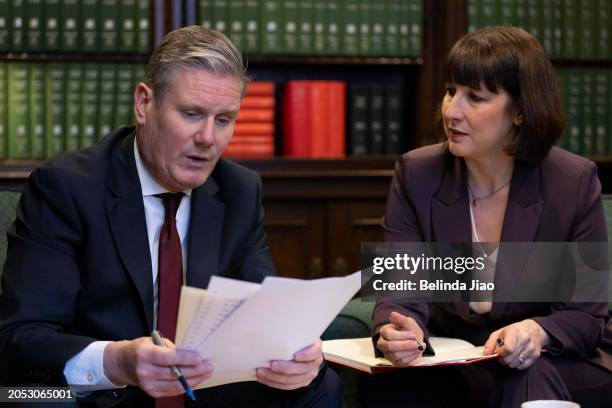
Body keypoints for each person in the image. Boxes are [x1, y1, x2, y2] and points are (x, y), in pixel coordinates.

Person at [0, 26, 340, 407]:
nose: (208, 138)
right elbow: (22, 338)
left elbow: (267, 316)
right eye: (192, 114)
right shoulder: (67, 189)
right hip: (108, 394)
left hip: (206, 392)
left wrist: (298, 355)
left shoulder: (239, 191)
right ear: (144, 104)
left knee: (319, 383)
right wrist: (119, 361)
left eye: (224, 119)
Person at [360, 26, 612, 407]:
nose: (452, 110)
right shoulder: (418, 173)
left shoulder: (572, 180)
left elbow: (585, 314)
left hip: (556, 361)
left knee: (524, 378)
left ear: (522, 112)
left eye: (475, 97)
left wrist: (536, 331)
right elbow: (401, 286)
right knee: (394, 386)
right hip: (458, 355)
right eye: (450, 91)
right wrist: (399, 328)